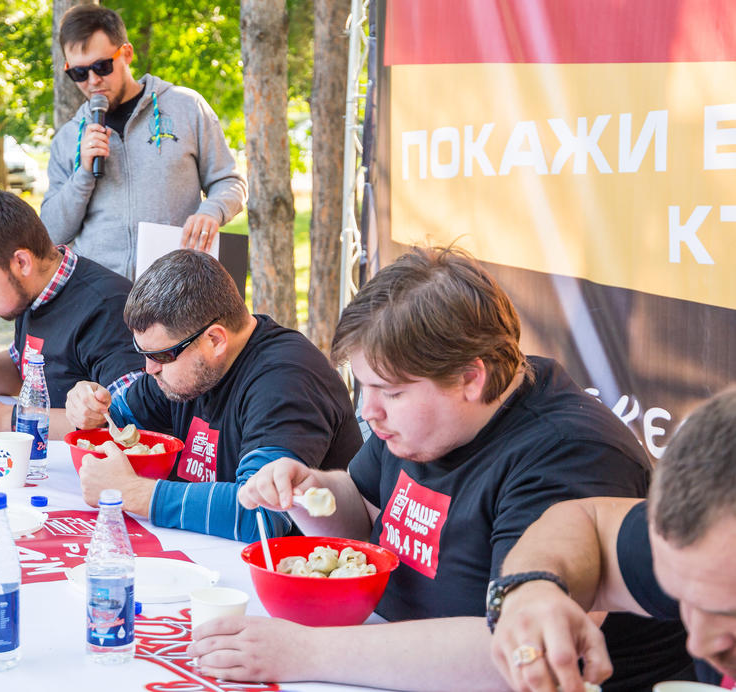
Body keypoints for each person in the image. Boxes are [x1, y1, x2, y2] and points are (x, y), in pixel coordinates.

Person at [188, 245, 690, 691]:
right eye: (365, 387)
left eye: (392, 391)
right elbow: (364, 508)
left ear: (471, 377)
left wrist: (303, 652)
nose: (369, 411)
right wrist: (308, 491)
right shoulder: (422, 422)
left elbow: (517, 655)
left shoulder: (572, 455)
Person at [64, 249, 361, 542]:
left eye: (161, 355)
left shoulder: (287, 379)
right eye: (142, 352)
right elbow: (116, 421)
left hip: (293, 575)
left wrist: (133, 493)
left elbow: (264, 514)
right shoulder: (186, 368)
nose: (149, 368)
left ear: (215, 340)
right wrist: (89, 407)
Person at [490, 387, 736, 692]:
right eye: (681, 598)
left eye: (728, 613)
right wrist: (531, 592)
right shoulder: (709, 553)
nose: (697, 644)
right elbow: (591, 525)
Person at [40, 4, 247, 279]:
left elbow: (230, 182)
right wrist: (83, 174)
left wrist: (212, 211)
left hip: (177, 289)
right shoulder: (68, 138)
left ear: (126, 54)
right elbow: (52, 232)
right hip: (104, 299)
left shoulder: (186, 107)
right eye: (78, 73)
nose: (92, 81)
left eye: (102, 66)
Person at [0, 189, 144, 436]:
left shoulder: (107, 305)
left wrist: (4, 417)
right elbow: (20, 371)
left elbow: (131, 417)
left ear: (22, 262)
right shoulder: (32, 292)